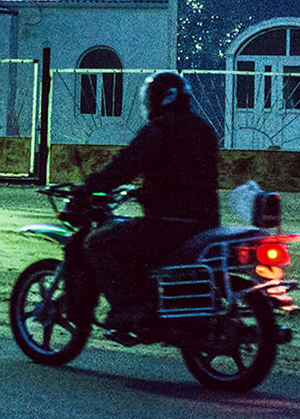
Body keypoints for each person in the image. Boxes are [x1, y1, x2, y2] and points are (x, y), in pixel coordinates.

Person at [73, 70, 222, 333]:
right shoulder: (205, 130)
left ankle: (128, 306)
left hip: (166, 226)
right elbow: (186, 174)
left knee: (97, 242)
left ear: (162, 99)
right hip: (206, 225)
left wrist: (90, 187)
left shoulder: (159, 129)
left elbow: (125, 165)